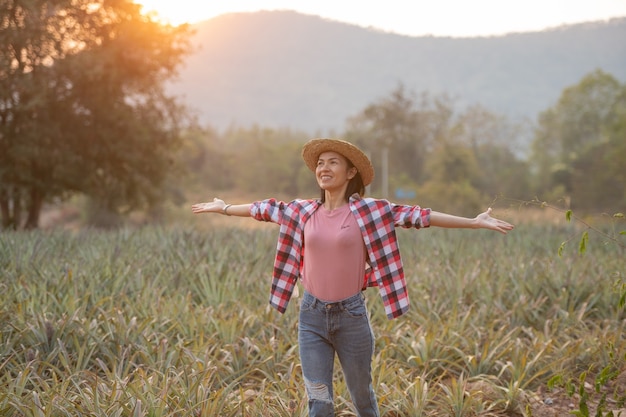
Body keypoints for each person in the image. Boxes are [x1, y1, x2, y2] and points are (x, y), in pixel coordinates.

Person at [192, 138, 514, 417]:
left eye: (334, 162)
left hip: (352, 318)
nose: (324, 167)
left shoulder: (371, 212)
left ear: (350, 173)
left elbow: (420, 216)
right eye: (320, 163)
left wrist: (474, 222)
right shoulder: (302, 212)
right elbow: (264, 208)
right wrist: (224, 207)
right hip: (311, 317)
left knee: (363, 400)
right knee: (319, 402)